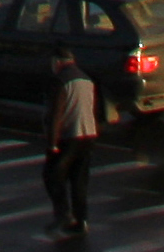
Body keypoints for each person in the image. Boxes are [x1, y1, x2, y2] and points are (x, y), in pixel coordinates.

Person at [40, 65, 111, 240]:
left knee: (52, 175)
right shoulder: (87, 79)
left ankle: (64, 216)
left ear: (57, 62)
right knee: (79, 181)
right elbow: (96, 108)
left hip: (70, 136)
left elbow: (56, 114)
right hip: (88, 135)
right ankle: (81, 221)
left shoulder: (61, 81)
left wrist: (52, 144)